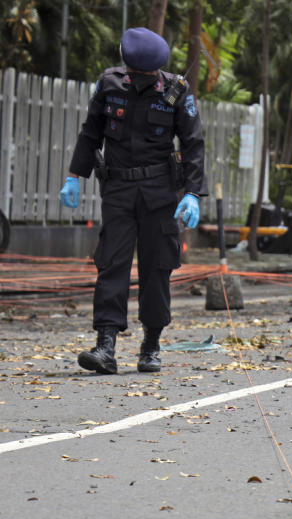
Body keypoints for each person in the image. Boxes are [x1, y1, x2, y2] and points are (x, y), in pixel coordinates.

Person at [58, 28, 206, 375]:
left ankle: (151, 343)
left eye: (150, 74)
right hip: (119, 190)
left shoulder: (176, 91)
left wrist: (192, 193)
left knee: (157, 268)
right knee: (112, 264)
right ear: (129, 67)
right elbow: (90, 132)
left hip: (160, 194)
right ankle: (106, 345)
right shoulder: (109, 85)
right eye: (139, 74)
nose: (144, 79)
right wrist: (74, 175)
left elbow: (193, 143)